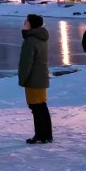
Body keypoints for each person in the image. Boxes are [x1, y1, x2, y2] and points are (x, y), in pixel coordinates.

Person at [18, 13, 53, 144]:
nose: (24, 22)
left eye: (27, 21)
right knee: (42, 106)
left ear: (31, 24)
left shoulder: (31, 40)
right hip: (41, 76)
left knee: (36, 107)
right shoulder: (41, 38)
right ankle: (46, 134)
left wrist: (23, 79)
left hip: (33, 78)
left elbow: (26, 63)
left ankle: (41, 135)